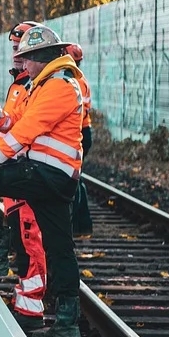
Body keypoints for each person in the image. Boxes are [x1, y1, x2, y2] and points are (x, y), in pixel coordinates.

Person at [0, 24, 86, 337]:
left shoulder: (58, 87)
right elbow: (19, 123)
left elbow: (26, 132)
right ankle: (68, 326)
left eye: (26, 58)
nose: (22, 64)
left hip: (46, 174)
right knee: (59, 249)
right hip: (53, 177)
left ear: (41, 58)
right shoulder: (46, 84)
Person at [0, 21, 44, 328]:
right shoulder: (19, 84)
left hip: (27, 172)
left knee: (29, 240)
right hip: (15, 170)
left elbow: (27, 130)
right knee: (21, 238)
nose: (17, 56)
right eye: (15, 50)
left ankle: (31, 309)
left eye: (22, 51)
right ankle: (24, 299)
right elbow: (14, 123)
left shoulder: (37, 85)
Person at [65, 43, 94, 238]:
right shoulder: (79, 79)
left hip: (79, 133)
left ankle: (79, 224)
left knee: (73, 179)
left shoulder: (73, 81)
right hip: (82, 132)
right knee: (76, 177)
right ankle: (81, 224)